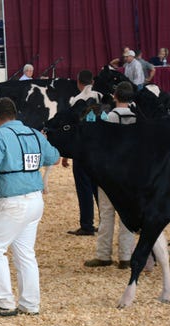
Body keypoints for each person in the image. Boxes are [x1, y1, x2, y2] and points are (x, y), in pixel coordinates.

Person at [0, 97, 60, 317]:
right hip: (35, 200)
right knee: (25, 253)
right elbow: (54, 159)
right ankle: (30, 304)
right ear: (15, 114)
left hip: (11, 202)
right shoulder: (35, 134)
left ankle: (4, 302)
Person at [84, 81, 136, 269]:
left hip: (110, 171)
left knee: (106, 214)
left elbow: (102, 145)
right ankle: (126, 257)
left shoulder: (109, 117)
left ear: (115, 96)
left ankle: (104, 255)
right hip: (130, 172)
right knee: (127, 215)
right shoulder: (136, 116)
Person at [65, 69, 101, 236]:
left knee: (84, 188)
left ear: (79, 83)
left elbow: (70, 128)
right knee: (100, 188)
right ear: (92, 82)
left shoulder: (75, 101)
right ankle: (105, 223)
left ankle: (87, 224)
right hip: (100, 150)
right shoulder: (100, 97)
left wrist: (66, 154)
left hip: (81, 150)